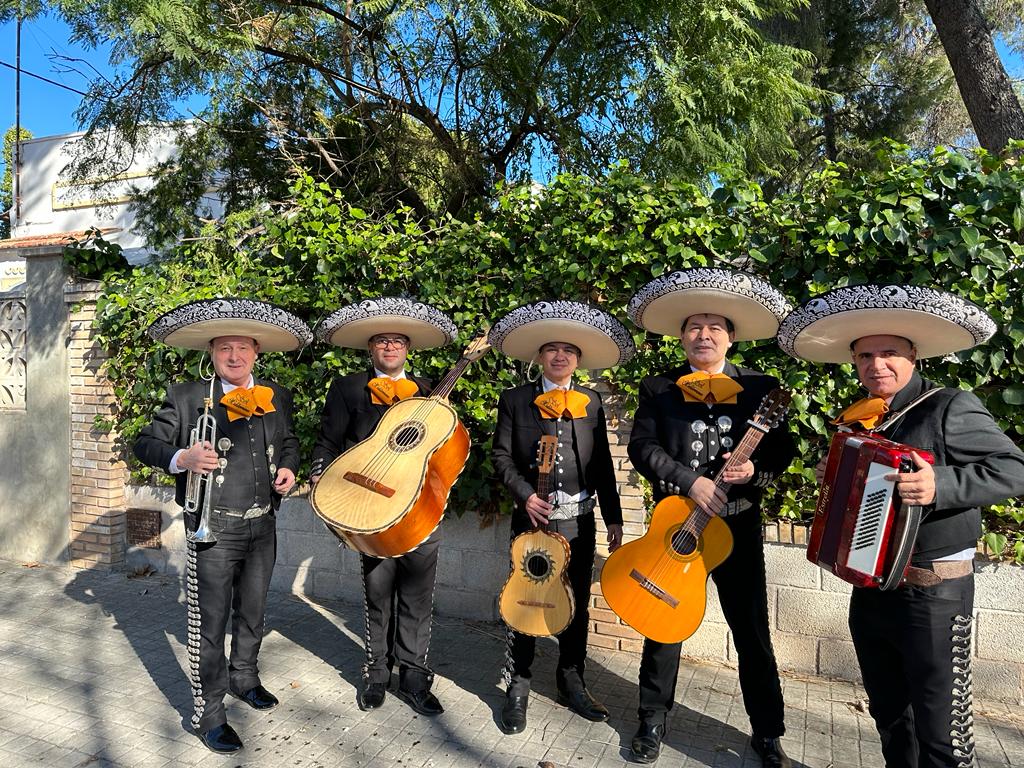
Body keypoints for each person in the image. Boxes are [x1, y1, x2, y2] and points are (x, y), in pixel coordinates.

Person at [778, 284, 1024, 768]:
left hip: (933, 594)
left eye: (889, 353)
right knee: (891, 716)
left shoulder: (949, 405)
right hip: (871, 589)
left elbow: (1014, 468)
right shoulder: (860, 419)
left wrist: (942, 485)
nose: (877, 365)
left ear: (913, 356)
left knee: (942, 732)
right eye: (865, 355)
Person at [625, 269, 796, 766]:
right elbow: (642, 447)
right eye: (694, 327)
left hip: (738, 526)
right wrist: (688, 480)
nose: (704, 335)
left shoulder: (763, 387)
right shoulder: (659, 388)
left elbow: (783, 450)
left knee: (752, 632)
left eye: (714, 327)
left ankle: (767, 731)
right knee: (662, 625)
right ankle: (651, 721)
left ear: (731, 337)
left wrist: (754, 471)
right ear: (681, 337)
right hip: (677, 520)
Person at [134, 298, 310, 754]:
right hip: (212, 526)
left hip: (262, 524)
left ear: (257, 351)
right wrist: (182, 458)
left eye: (243, 348)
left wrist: (289, 468)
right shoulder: (187, 396)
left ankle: (244, 678)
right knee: (208, 624)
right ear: (211, 353)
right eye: (224, 348)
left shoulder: (276, 395)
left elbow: (288, 442)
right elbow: (145, 442)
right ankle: (209, 713)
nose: (235, 356)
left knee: (253, 610)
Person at [489, 300, 636, 733]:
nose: (559, 356)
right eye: (551, 349)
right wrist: (523, 496)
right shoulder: (515, 400)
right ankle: (518, 681)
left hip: (580, 521)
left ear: (578, 359)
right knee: (525, 595)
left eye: (568, 351)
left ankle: (571, 676)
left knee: (574, 602)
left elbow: (604, 465)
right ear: (539, 356)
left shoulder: (590, 402)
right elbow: (500, 456)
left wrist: (613, 517)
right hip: (533, 519)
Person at [310, 296, 458, 716]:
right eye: (381, 341)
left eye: (397, 341)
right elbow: (328, 441)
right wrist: (319, 472)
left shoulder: (431, 390)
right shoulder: (346, 388)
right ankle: (376, 673)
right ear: (370, 348)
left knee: (417, 598)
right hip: (369, 509)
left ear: (407, 348)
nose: (390, 348)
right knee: (378, 594)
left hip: (421, 511)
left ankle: (413, 676)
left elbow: (443, 449)